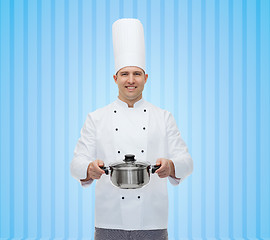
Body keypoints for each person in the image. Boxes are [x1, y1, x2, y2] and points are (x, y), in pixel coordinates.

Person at [70, 18, 193, 240]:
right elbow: (76, 162)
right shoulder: (96, 118)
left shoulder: (163, 117)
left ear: (146, 78)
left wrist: (172, 165)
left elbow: (187, 161)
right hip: (109, 220)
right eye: (125, 74)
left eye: (137, 74)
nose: (131, 80)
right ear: (115, 78)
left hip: (153, 221)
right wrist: (88, 168)